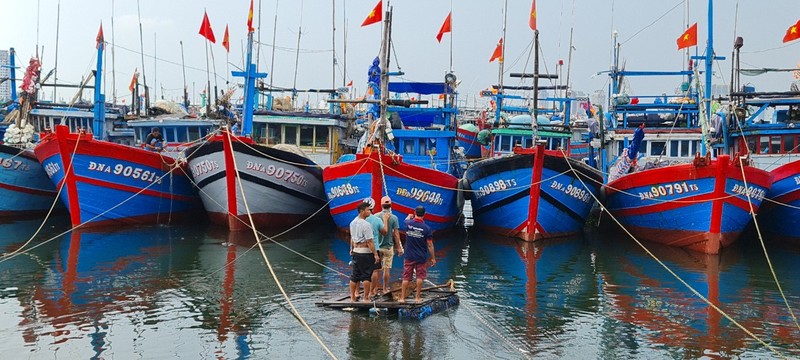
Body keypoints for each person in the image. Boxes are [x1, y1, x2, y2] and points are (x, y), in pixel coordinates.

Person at [400, 205, 435, 303]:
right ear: (425, 214)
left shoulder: (408, 224)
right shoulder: (427, 229)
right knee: (420, 277)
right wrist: (433, 258)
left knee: (406, 276)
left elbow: (405, 220)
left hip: (409, 256)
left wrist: (409, 216)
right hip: (421, 256)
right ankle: (417, 297)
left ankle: (402, 298)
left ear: (415, 213)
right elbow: (430, 245)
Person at [370, 196, 403, 297]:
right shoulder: (394, 218)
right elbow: (396, 235)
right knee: (387, 269)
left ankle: (374, 289)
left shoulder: (375, 216)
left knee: (375, 270)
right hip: (388, 247)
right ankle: (384, 288)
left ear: (381, 205)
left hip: (377, 247)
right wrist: (399, 247)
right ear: (391, 205)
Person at [349, 201, 380, 303]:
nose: (370, 212)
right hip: (365, 252)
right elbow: (370, 241)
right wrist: (375, 254)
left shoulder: (352, 223)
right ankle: (366, 298)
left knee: (355, 276)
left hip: (356, 250)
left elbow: (352, 238)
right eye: (368, 210)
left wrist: (351, 249)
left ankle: (352, 298)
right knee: (367, 276)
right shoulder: (366, 224)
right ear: (362, 211)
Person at [361, 197, 384, 296]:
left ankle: (360, 292)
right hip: (375, 248)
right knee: (375, 271)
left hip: (362, 248)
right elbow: (384, 232)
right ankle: (371, 291)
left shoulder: (359, 220)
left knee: (363, 271)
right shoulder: (377, 220)